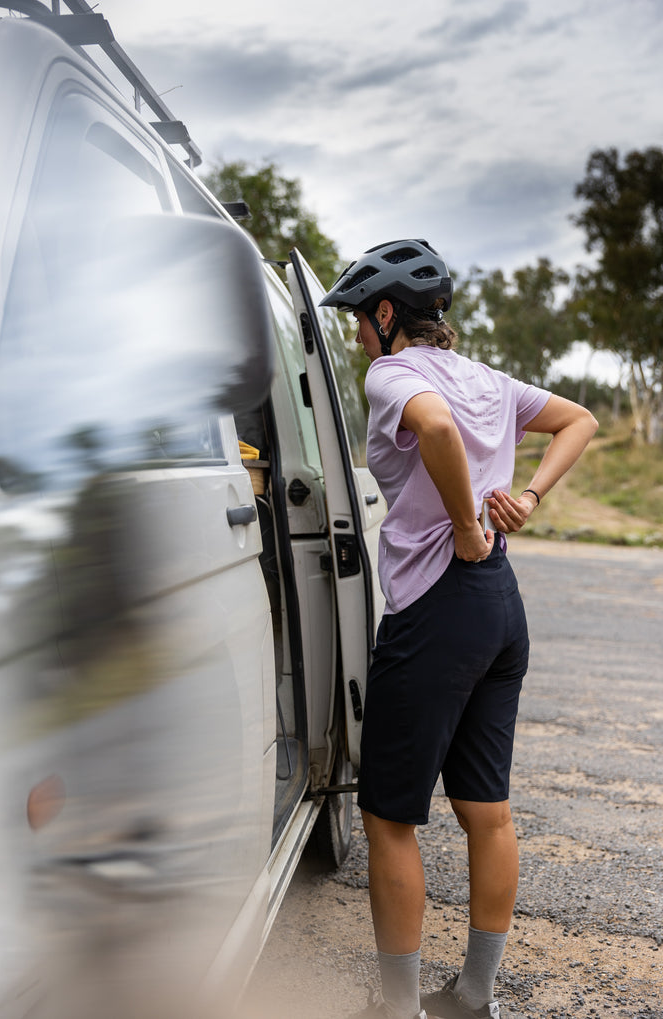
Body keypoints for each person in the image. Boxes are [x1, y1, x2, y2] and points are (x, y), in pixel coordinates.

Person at [319, 240, 598, 1019]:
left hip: (438, 605)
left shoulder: (392, 374)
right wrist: (529, 497)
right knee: (488, 811)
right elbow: (580, 418)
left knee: (388, 817)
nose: (354, 339)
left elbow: (435, 431)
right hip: (499, 603)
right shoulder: (487, 377)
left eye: (357, 322)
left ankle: (402, 1010)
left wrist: (465, 528)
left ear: (384, 316)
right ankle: (476, 997)